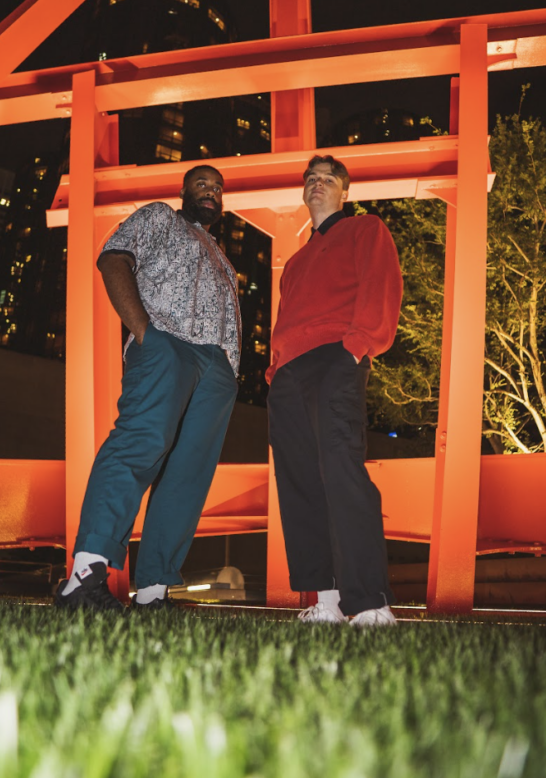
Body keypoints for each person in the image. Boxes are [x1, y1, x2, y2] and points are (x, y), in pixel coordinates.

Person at [56, 165, 240, 612]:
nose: (211, 191)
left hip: (217, 368)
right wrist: (146, 334)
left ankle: (154, 592)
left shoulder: (223, 256)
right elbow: (113, 257)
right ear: (184, 190)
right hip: (166, 344)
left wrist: (230, 369)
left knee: (187, 475)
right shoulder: (159, 216)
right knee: (139, 444)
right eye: (202, 183)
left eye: (217, 187)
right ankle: (85, 575)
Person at [266, 155, 403, 627]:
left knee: (342, 468)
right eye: (311, 179)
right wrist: (275, 369)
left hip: (336, 357)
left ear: (345, 191)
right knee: (299, 482)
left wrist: (357, 347)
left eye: (327, 179)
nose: (317, 184)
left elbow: (381, 286)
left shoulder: (366, 229)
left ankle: (369, 601)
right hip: (288, 373)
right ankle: (326, 600)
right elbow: (286, 317)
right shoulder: (295, 262)